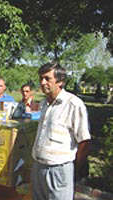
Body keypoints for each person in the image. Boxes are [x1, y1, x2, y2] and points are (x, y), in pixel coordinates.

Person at [31, 62, 91, 200]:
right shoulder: (44, 103)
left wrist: (75, 168)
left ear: (60, 82)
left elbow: (84, 141)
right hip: (38, 166)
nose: (42, 82)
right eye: (41, 78)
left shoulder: (73, 104)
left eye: (47, 78)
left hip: (59, 169)